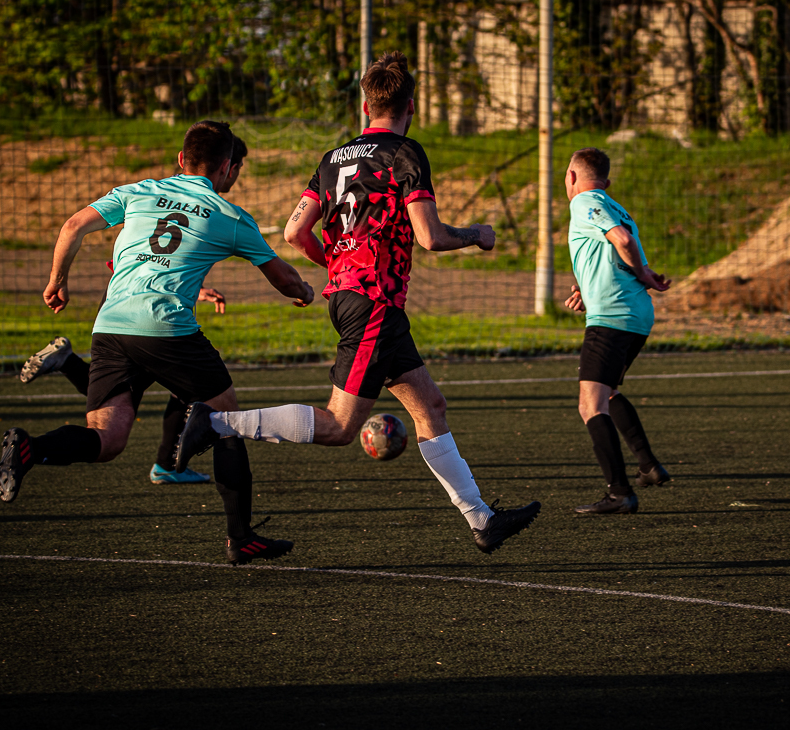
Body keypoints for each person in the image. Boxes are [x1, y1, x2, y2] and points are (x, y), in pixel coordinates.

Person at [175, 51, 541, 555]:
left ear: (366, 106)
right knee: (340, 427)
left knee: (430, 406)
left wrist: (338, 264)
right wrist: (478, 234)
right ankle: (215, 423)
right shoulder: (405, 153)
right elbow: (430, 237)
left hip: (359, 299)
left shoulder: (332, 159)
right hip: (373, 304)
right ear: (410, 106)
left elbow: (294, 232)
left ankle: (482, 519)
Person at [0, 121, 317, 566]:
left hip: (110, 325)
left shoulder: (138, 191)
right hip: (166, 327)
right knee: (226, 418)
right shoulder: (229, 216)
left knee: (107, 439)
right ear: (227, 167)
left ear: (181, 160)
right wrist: (305, 292)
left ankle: (34, 448)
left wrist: (57, 281)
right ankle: (241, 538)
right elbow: (283, 278)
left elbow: (72, 226)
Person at [17, 137, 252, 486]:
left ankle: (66, 369)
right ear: (227, 167)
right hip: (149, 313)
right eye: (237, 167)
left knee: (121, 401)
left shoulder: (150, 193)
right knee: (184, 390)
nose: (235, 176)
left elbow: (150, 254)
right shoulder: (211, 208)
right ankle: (168, 465)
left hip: (117, 308)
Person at [563, 147, 672, 515]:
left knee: (590, 404)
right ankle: (648, 466)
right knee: (607, 393)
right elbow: (613, 252)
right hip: (634, 315)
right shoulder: (615, 206)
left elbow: (622, 241)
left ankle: (620, 493)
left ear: (571, 177)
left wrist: (642, 273)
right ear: (606, 181)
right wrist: (586, 289)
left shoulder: (584, 201)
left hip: (612, 316)